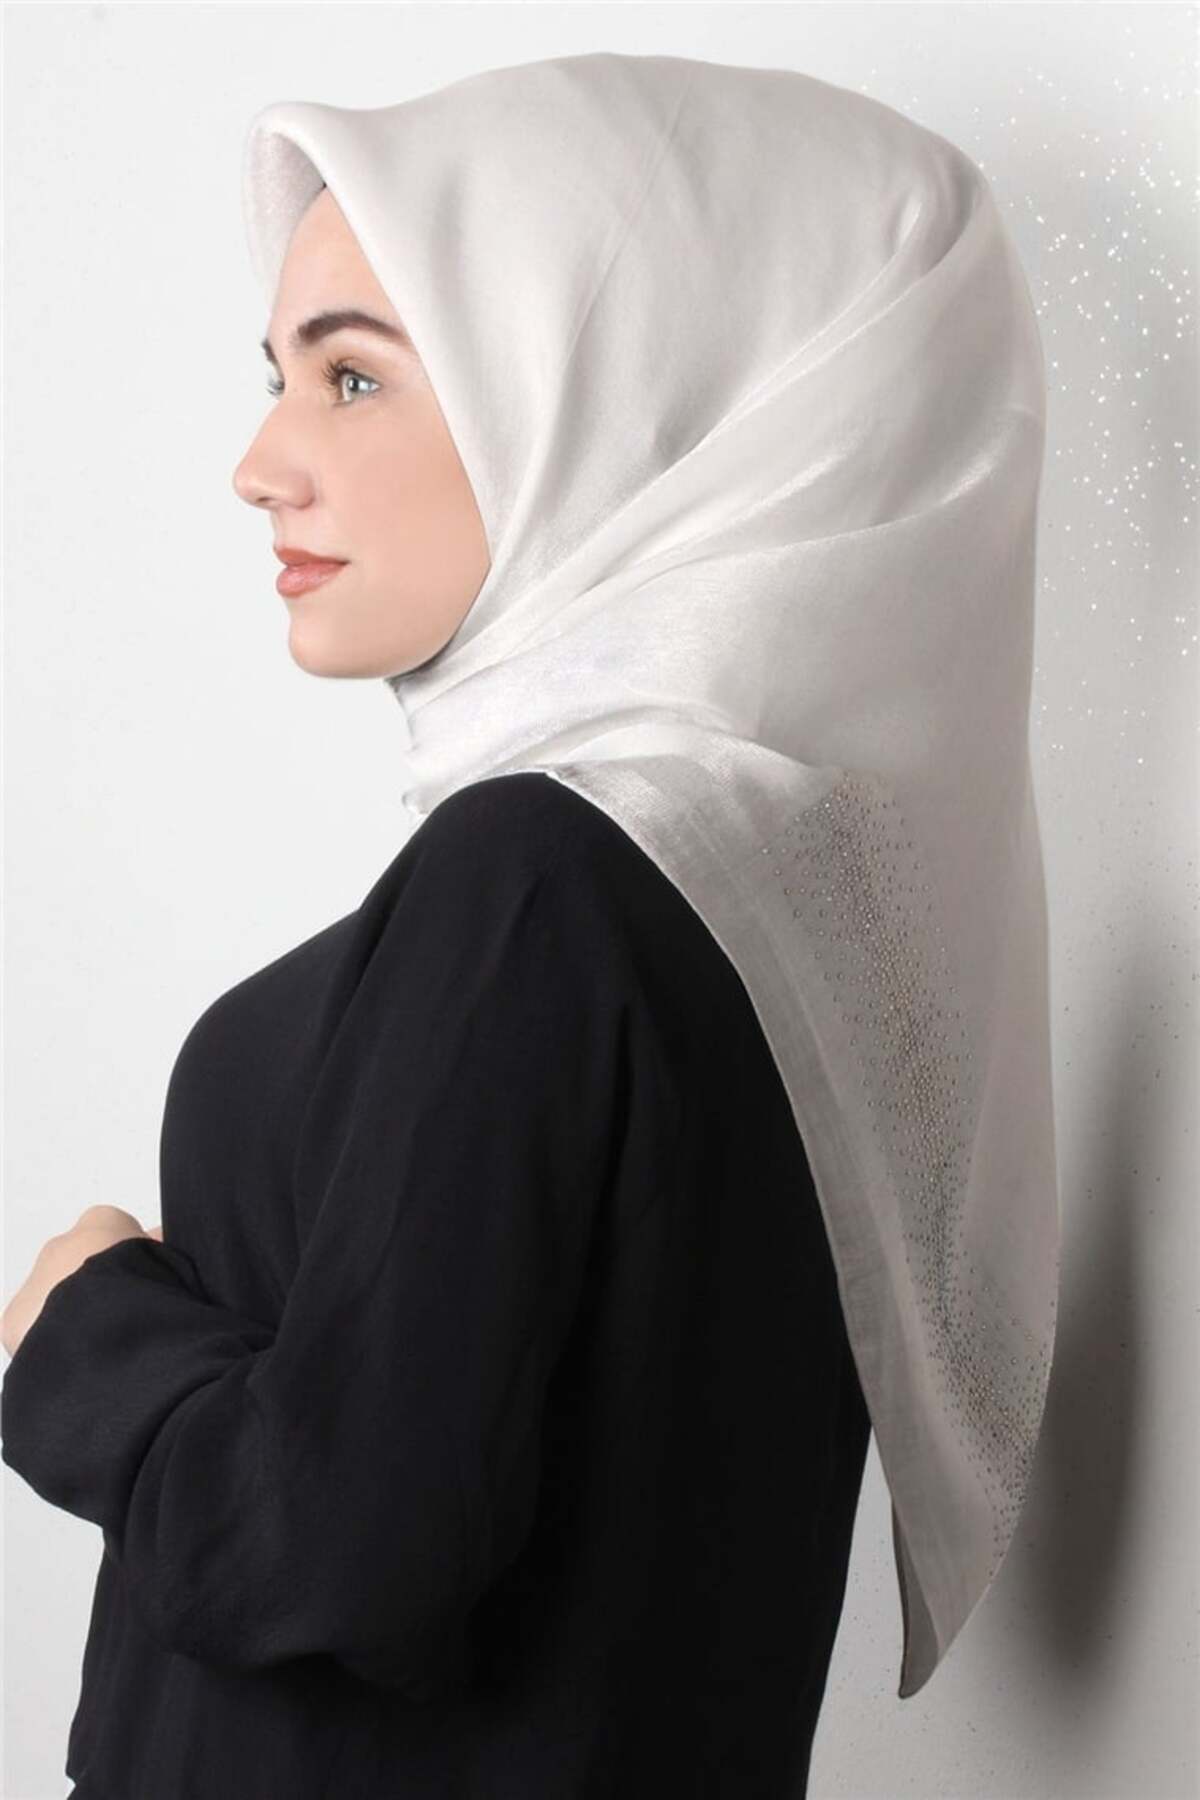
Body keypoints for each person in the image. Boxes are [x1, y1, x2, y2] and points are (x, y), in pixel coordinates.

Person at [1, 50, 1059, 1800]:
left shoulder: (538, 880)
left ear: (625, 400)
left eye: (353, 375)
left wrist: (88, 1331)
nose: (262, 463)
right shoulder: (780, 927)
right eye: (278, 377)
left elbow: (340, 1546)